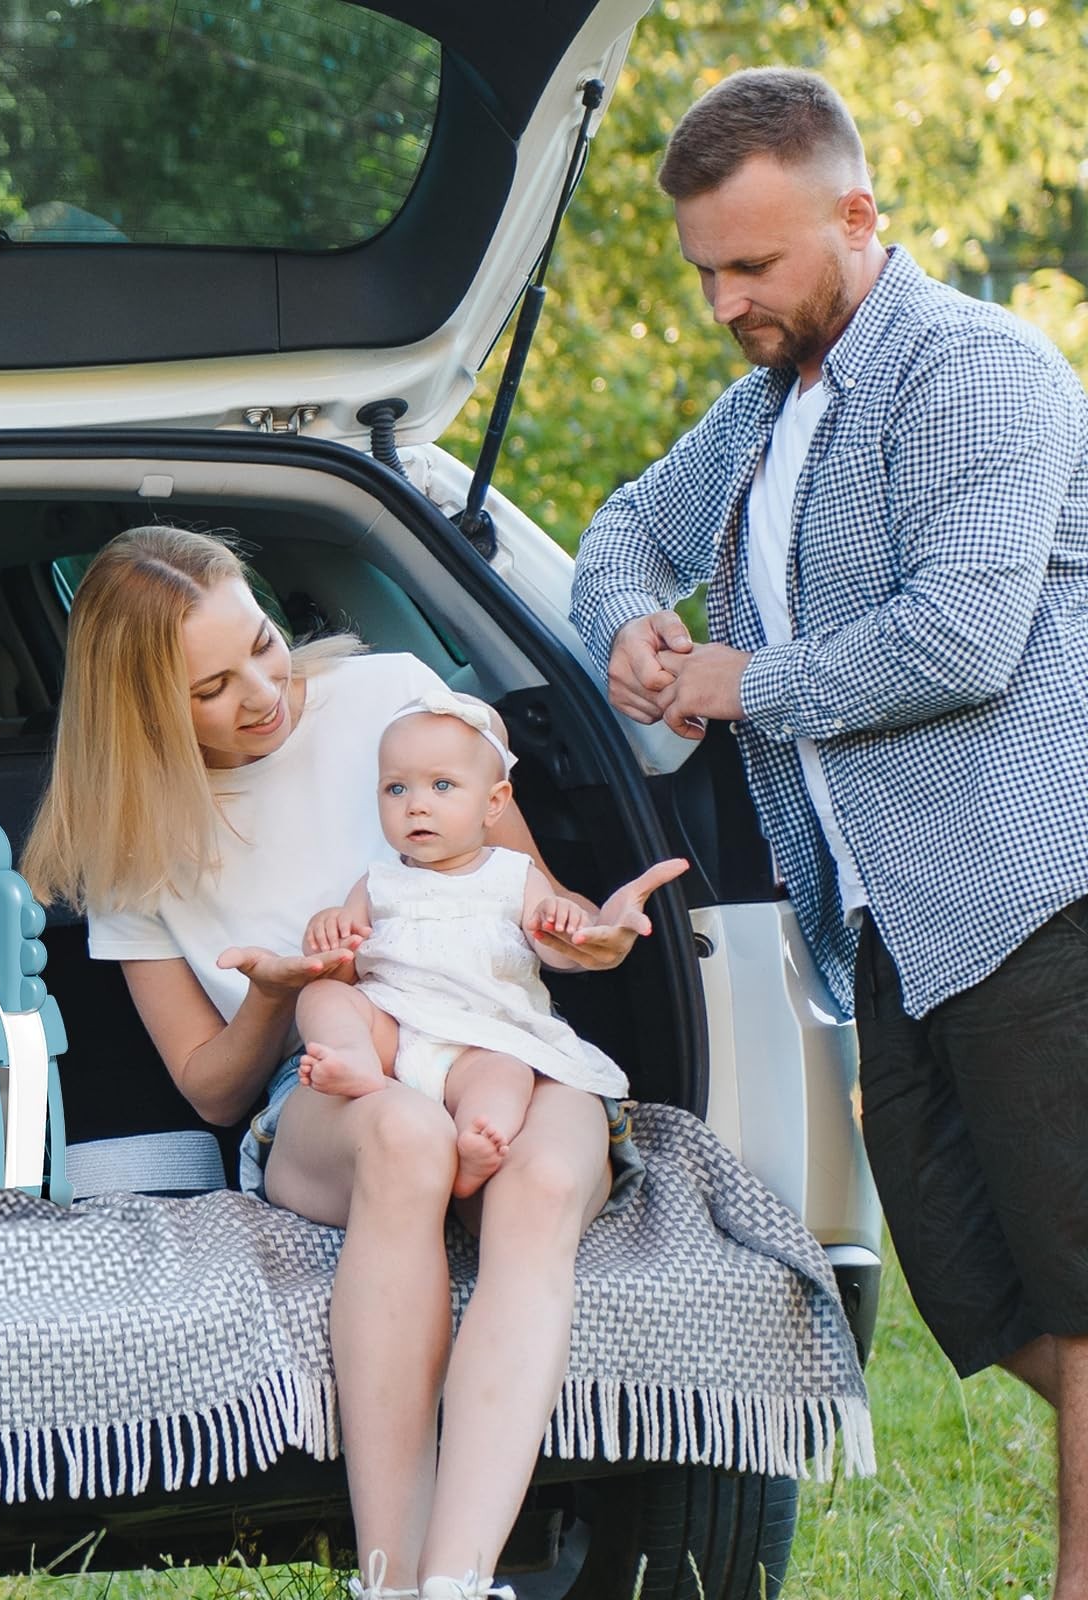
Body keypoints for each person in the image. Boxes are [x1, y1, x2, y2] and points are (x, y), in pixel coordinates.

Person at [568, 67, 1088, 1600]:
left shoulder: (979, 372)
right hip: (881, 925)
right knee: (977, 1291)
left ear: (859, 215)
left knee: (1075, 1270)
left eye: (755, 264)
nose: (726, 299)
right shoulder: (764, 410)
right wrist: (634, 633)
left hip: (1033, 888)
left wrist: (742, 682)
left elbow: (964, 640)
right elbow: (619, 534)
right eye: (707, 270)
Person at [22, 525, 686, 1600]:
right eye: (212, 686)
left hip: (499, 1036)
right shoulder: (130, 844)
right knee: (407, 1138)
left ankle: (455, 1582)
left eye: (264, 646)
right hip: (326, 1086)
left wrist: (587, 935)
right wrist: (278, 994)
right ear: (142, 711)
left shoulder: (392, 694)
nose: (262, 692)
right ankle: (387, 1580)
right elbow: (211, 1086)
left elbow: (525, 902)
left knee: (550, 1178)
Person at [294, 690, 636, 1202]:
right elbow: (343, 966)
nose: (417, 805)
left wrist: (565, 927)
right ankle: (353, 1058)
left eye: (442, 785)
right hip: (397, 1028)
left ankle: (478, 1142)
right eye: (395, 789)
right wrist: (327, 932)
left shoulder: (513, 875)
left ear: (493, 803)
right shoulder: (377, 882)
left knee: (507, 1074)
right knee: (320, 999)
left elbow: (556, 953)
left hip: (485, 1036)